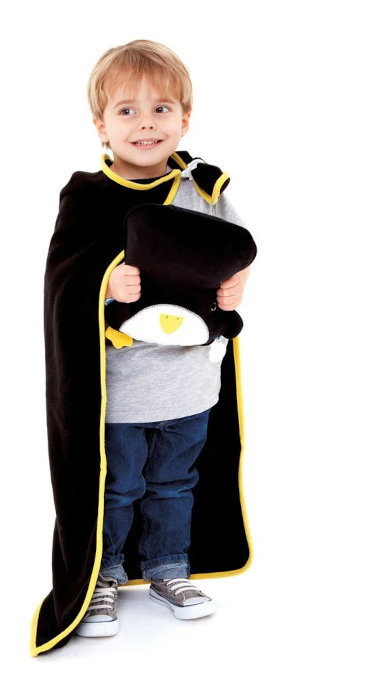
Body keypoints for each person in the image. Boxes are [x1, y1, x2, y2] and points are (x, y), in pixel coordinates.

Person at [30, 39, 253, 655]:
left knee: (175, 482)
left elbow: (234, 251)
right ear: (100, 126)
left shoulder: (202, 189)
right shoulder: (88, 198)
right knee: (119, 486)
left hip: (189, 384)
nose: (146, 123)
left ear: (185, 118)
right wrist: (105, 282)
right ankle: (103, 577)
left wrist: (235, 284)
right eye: (126, 111)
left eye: (161, 109)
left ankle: (168, 568)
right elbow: (63, 280)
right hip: (121, 392)